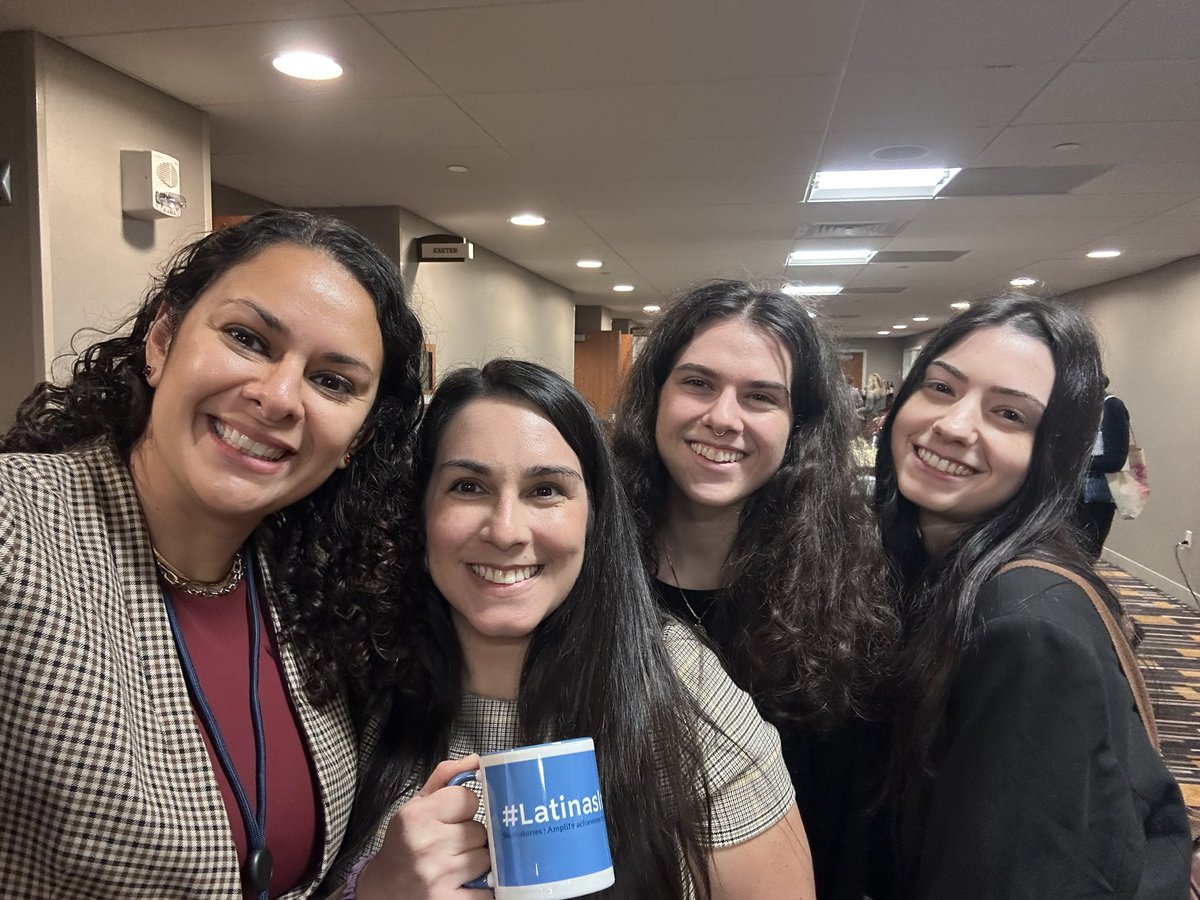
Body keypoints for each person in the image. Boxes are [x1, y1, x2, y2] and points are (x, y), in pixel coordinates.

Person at [0, 210, 426, 898]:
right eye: (247, 339)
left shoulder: (311, 587)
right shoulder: (16, 531)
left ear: (357, 438)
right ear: (163, 342)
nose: (279, 396)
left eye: (333, 382)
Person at [337, 359, 814, 900]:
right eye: (468, 486)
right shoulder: (363, 680)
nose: (507, 531)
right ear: (420, 513)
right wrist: (374, 890)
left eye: (545, 491)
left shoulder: (681, 686)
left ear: (593, 518)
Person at [870, 295, 1191, 898]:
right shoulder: (927, 562)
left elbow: (1013, 873)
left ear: (1054, 451)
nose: (954, 425)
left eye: (1009, 416)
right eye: (941, 388)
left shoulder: (1022, 626)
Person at [610, 280, 897, 899]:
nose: (722, 417)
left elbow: (842, 826)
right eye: (698, 383)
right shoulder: (586, 566)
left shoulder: (844, 591)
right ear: (655, 396)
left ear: (799, 426)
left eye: (761, 396)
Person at [1075, 379, 1131, 558]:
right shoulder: (1085, 410)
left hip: (1095, 497)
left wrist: (1076, 461)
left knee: (1084, 554)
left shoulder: (1112, 407)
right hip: (1074, 495)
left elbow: (1115, 460)